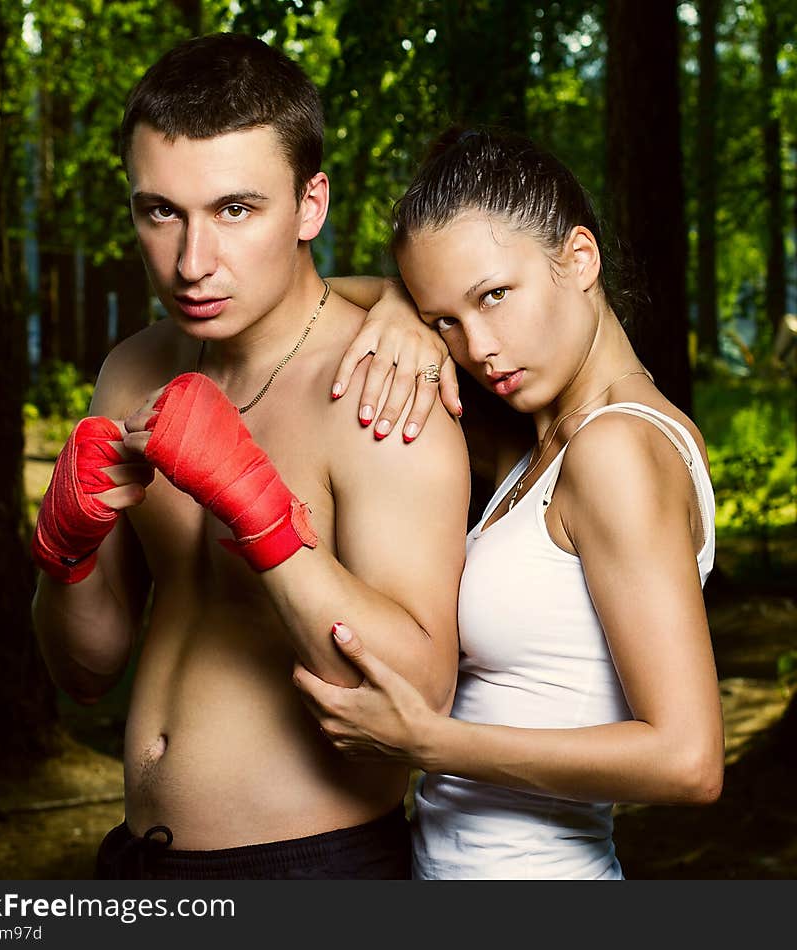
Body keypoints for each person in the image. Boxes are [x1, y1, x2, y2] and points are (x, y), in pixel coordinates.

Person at [30, 33, 470, 880]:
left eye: (236, 209)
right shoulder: (130, 369)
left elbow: (420, 700)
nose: (193, 263)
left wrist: (263, 514)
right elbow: (84, 671)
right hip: (139, 864)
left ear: (311, 205)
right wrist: (64, 556)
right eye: (161, 211)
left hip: (313, 871)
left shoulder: (379, 388)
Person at [293, 127, 725, 880]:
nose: (479, 346)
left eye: (495, 295)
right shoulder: (546, 439)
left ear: (579, 259)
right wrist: (400, 308)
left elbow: (687, 760)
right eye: (447, 321)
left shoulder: (615, 449)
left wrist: (427, 742)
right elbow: (314, 300)